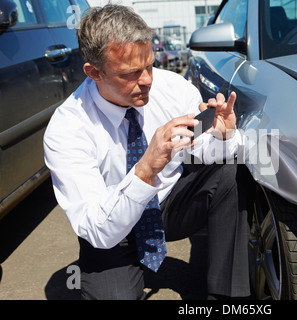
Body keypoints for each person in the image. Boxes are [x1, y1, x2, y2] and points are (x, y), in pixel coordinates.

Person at [43, 4, 250, 300]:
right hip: (113, 230)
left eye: (149, 65)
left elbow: (205, 152)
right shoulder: (67, 129)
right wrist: (144, 169)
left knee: (230, 172)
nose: (147, 80)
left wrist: (223, 135)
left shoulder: (172, 88)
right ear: (93, 72)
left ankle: (228, 298)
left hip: (168, 206)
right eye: (130, 73)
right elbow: (98, 229)